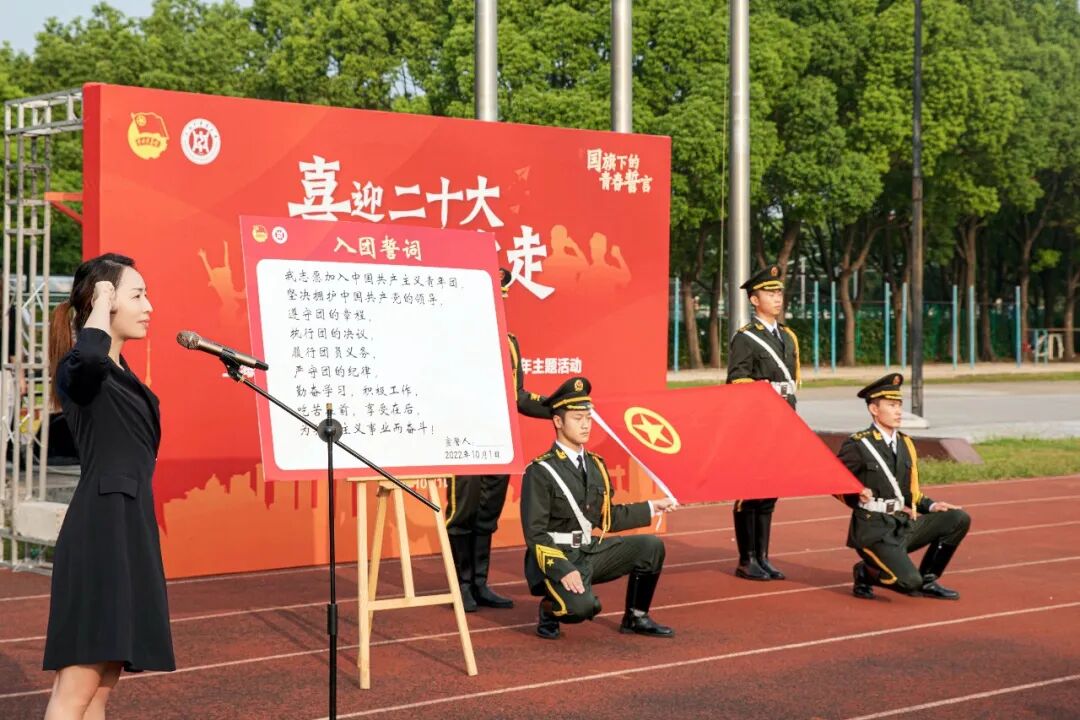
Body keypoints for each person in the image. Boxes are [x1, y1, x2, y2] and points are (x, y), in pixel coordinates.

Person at [42, 254, 175, 719]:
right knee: (76, 689)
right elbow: (90, 358)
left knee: (99, 690)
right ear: (106, 301)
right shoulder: (81, 370)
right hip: (100, 531)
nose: (149, 307)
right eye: (137, 295)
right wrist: (99, 299)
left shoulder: (120, 375)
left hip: (129, 528)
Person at [520, 376, 678, 640]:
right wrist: (562, 568)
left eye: (588, 418)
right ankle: (549, 608)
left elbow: (608, 518)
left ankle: (636, 617)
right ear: (558, 421)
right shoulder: (541, 470)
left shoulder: (596, 465)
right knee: (583, 608)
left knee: (651, 547)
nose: (585, 425)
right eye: (577, 418)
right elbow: (535, 534)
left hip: (588, 551)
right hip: (558, 555)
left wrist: (653, 507)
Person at [445, 269, 550, 612]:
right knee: (462, 513)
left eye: (500, 300)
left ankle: (480, 583)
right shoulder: (455, 337)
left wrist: (555, 408)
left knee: (487, 513)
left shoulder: (509, 342)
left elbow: (518, 395)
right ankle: (461, 586)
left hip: (499, 440)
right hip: (464, 439)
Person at [837, 374, 972, 600]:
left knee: (958, 518)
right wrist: (855, 492)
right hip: (873, 530)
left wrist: (932, 506)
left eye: (899, 405)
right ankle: (865, 572)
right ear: (874, 409)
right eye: (891, 405)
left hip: (900, 524)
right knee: (909, 583)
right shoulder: (859, 444)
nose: (898, 411)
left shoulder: (906, 443)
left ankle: (928, 580)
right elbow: (834, 479)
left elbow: (910, 493)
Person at [726, 263, 800, 581]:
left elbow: (793, 383)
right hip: (756, 425)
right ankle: (747, 559)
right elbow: (736, 380)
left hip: (783, 422)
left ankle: (763, 557)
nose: (777, 297)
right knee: (750, 491)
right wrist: (764, 391)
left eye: (779, 292)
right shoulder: (746, 338)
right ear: (754, 300)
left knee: (771, 491)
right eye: (769, 293)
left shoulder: (788, 337)